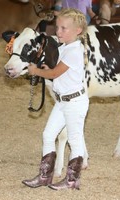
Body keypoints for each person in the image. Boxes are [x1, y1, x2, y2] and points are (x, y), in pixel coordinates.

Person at [22, 8, 89, 190]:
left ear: (78, 31)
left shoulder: (74, 51)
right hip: (63, 101)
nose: (58, 31)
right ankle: (45, 176)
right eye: (57, 27)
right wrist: (47, 69)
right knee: (48, 134)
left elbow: (55, 72)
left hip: (74, 103)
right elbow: (58, 72)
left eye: (63, 28)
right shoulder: (66, 47)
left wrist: (37, 71)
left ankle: (72, 180)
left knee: (74, 140)